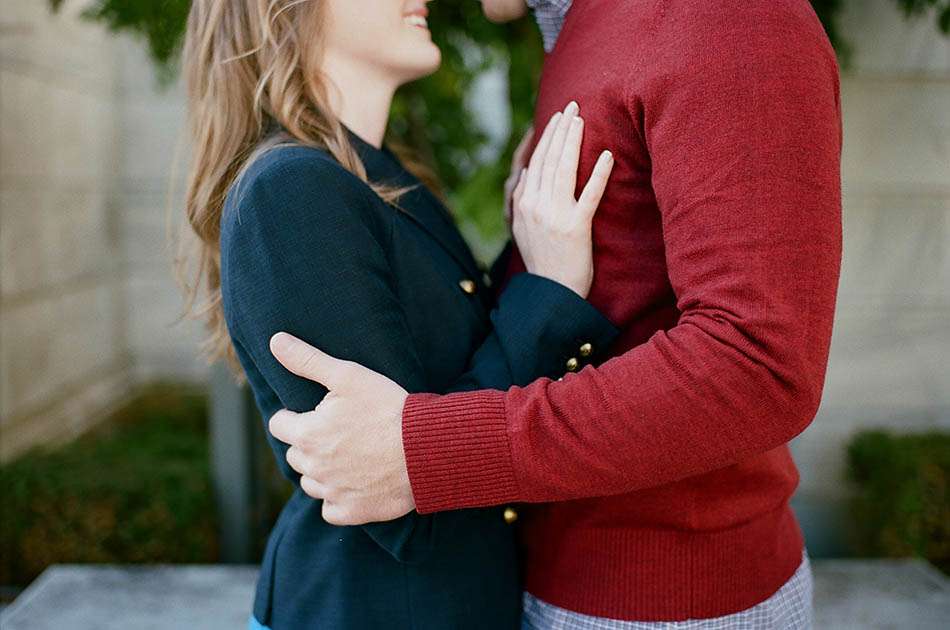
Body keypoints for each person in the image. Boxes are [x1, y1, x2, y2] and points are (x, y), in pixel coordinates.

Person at [265, 0, 844, 628]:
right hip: (540, 581)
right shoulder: (585, 32)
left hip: (670, 605)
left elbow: (759, 366)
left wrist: (426, 452)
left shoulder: (726, 16)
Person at [179, 1, 619, 629]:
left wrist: (531, 239)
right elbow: (401, 486)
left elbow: (450, 375)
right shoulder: (293, 191)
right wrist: (548, 289)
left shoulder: (378, 177)